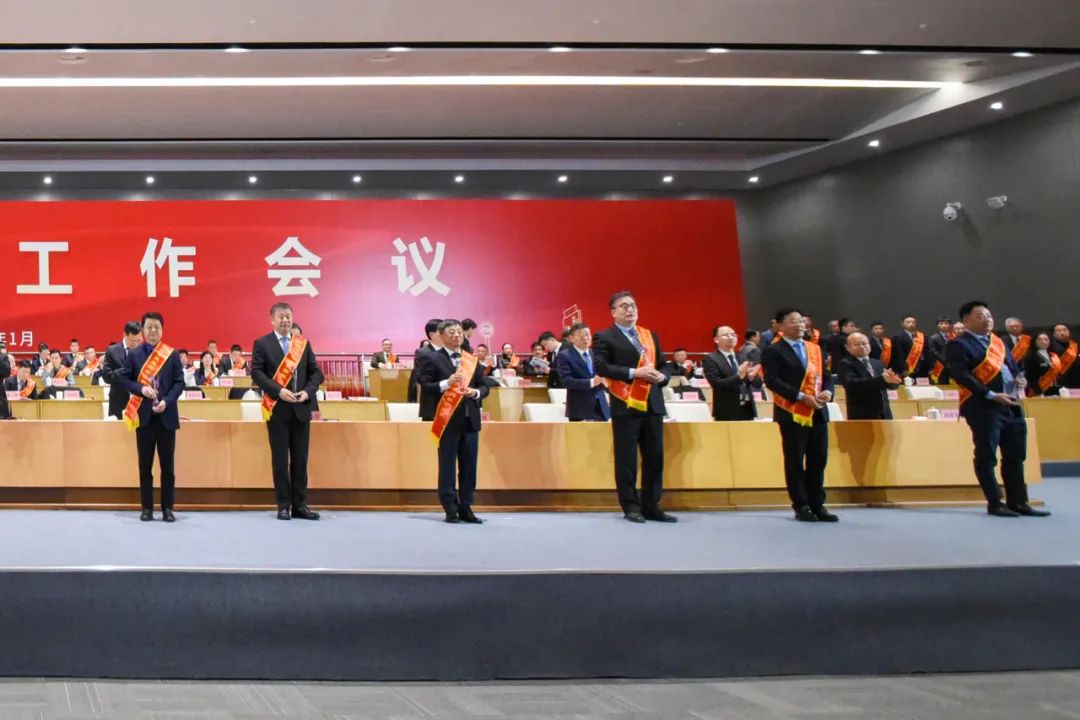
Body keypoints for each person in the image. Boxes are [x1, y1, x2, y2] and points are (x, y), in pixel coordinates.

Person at [947, 300, 1049, 517]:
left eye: (989, 316)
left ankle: (1018, 501)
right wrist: (991, 394)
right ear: (966, 321)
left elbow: (1012, 367)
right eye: (980, 316)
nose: (987, 320)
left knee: (1015, 455)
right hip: (984, 406)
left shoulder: (998, 342)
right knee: (987, 457)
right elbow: (961, 375)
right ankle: (995, 502)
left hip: (1011, 403)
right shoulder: (959, 344)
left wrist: (1020, 378)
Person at [593, 290, 676, 524]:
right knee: (627, 458)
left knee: (655, 457)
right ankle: (630, 505)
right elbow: (601, 367)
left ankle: (651, 505)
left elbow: (664, 365)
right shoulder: (605, 337)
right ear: (613, 312)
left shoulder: (649, 336)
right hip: (626, 404)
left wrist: (663, 376)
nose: (630, 309)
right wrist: (634, 372)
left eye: (633, 306)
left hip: (653, 403)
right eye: (624, 306)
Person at [761, 307, 837, 523]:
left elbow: (827, 376)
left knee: (818, 461)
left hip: (818, 412)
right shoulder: (773, 350)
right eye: (793, 321)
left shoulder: (815, 349)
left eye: (802, 321)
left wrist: (828, 392)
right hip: (792, 412)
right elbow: (772, 381)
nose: (800, 325)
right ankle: (801, 505)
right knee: (795, 461)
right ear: (780, 325)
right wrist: (801, 396)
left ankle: (817, 504)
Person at [252, 302, 325, 521]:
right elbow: (256, 373)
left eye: (288, 316)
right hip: (277, 409)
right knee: (280, 460)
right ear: (272, 320)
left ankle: (300, 505)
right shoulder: (262, 343)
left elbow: (316, 373)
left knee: (301, 459)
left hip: (301, 409)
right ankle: (283, 505)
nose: (285, 320)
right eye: (281, 317)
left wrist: (307, 392)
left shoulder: (302, 343)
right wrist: (278, 390)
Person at [416, 319, 490, 523]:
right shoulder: (431, 358)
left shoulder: (471, 359)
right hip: (447, 420)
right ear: (441, 336)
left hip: (470, 419)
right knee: (447, 466)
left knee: (469, 467)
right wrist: (446, 383)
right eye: (451, 332)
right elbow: (424, 384)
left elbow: (484, 386)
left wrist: (476, 392)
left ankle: (466, 507)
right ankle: (450, 508)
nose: (457, 335)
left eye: (459, 332)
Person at [118, 311, 185, 523]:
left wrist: (168, 401)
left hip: (166, 417)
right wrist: (141, 389)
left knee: (168, 468)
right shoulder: (134, 354)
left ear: (162, 330)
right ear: (143, 330)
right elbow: (125, 380)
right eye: (149, 327)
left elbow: (179, 383)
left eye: (157, 327)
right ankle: (147, 508)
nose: (153, 331)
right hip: (145, 418)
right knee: (145, 467)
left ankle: (168, 508)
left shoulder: (172, 354)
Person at [835, 332, 902, 420]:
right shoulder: (845, 364)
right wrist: (882, 379)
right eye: (857, 344)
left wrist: (893, 382)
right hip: (862, 414)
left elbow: (884, 384)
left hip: (884, 413)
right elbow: (852, 384)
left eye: (864, 343)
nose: (862, 346)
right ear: (847, 347)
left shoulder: (877, 363)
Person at [703, 325, 761, 421]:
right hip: (727, 411)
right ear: (716, 339)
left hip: (747, 409)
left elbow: (758, 384)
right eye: (726, 335)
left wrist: (752, 377)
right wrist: (738, 377)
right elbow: (717, 384)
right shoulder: (711, 359)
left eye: (734, 335)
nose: (731, 337)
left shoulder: (742, 357)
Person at [555, 322, 610, 422]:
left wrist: (607, 383)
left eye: (587, 334)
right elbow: (566, 381)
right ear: (571, 338)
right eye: (580, 335)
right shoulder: (564, 356)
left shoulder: (596, 354)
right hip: (579, 408)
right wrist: (592, 382)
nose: (585, 338)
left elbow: (603, 376)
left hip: (601, 407)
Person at [101, 321, 143, 419]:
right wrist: (124, 370)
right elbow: (107, 377)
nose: (135, 344)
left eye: (138, 340)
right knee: (117, 428)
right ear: (125, 334)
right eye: (132, 340)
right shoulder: (112, 351)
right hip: (118, 402)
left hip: (139, 402)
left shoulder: (143, 350)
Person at [407, 319, 442, 403]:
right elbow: (421, 378)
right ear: (432, 334)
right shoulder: (423, 352)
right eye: (441, 331)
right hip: (431, 395)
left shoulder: (449, 350)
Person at [1024, 332, 1062, 397]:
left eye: (1046, 339)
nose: (1043, 342)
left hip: (1056, 390)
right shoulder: (1030, 356)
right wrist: (1038, 392)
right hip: (1039, 391)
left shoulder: (1053, 355)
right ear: (1034, 341)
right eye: (1039, 340)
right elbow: (1029, 377)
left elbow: (1059, 374)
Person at [1050, 324, 1079, 389]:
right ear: (1053, 334)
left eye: (1065, 330)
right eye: (1058, 331)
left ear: (1069, 332)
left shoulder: (1075, 345)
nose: (1062, 333)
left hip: (1077, 381)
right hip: (1060, 383)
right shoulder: (1050, 347)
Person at [927, 317, 954, 384]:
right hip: (939, 366)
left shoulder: (954, 336)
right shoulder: (933, 338)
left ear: (950, 325)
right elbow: (934, 352)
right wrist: (945, 361)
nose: (943, 325)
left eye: (946, 323)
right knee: (941, 385)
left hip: (953, 366)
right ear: (937, 325)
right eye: (941, 324)